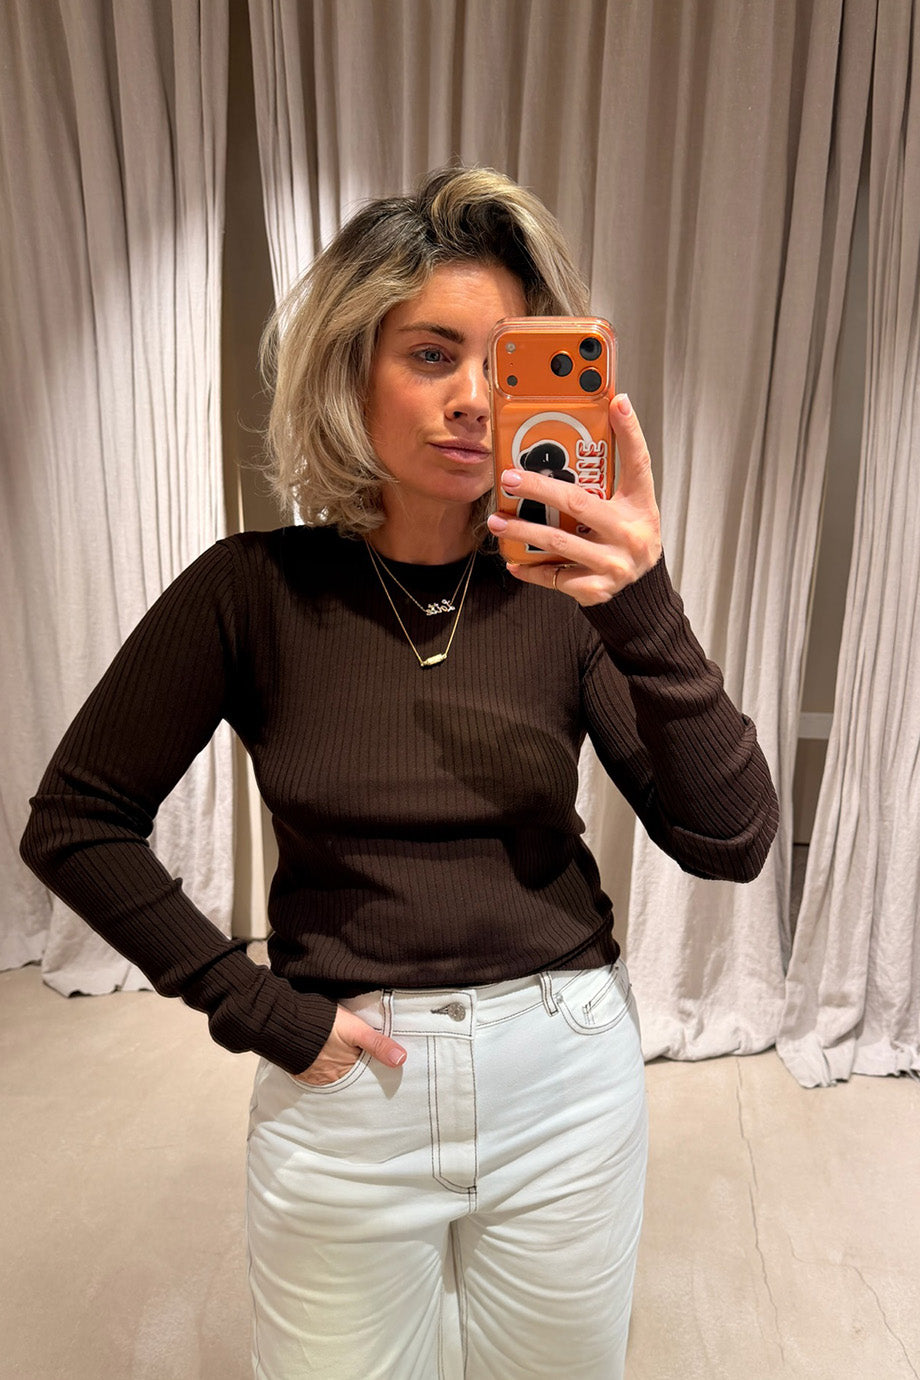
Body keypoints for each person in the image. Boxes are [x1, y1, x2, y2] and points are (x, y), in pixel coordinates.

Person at [21, 165, 778, 1380]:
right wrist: (252, 1005)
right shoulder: (252, 590)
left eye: (505, 364)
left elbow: (729, 839)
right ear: (349, 365)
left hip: (564, 1075)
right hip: (345, 1086)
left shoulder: (569, 599)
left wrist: (638, 602)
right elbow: (75, 821)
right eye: (431, 355)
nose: (474, 400)